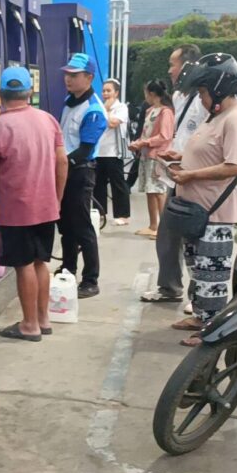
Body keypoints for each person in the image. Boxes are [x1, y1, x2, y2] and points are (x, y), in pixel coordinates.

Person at [165, 53, 237, 346]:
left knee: (212, 274)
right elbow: (211, 152)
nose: (201, 99)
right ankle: (200, 316)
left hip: (216, 213)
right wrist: (181, 157)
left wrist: (190, 175)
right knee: (199, 269)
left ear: (218, 89)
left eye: (203, 93)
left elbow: (235, 166)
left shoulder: (236, 119)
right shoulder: (216, 116)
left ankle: (211, 329)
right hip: (197, 210)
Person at [0, 67, 68, 342]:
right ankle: (43, 319)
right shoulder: (48, 120)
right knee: (41, 261)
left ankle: (29, 325)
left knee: (23, 265)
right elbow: (62, 161)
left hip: (16, 209)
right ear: (30, 92)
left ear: (0, 93)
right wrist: (57, 198)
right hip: (47, 206)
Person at [141, 44, 208, 304]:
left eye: (173, 64)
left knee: (194, 239)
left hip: (196, 178)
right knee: (167, 235)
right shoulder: (179, 96)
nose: (170, 70)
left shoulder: (205, 99)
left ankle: (198, 295)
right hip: (175, 175)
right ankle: (169, 287)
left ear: (189, 66)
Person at [57, 53, 107, 299]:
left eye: (74, 75)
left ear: (89, 77)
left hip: (80, 172)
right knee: (66, 225)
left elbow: (86, 149)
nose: (68, 79)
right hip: (64, 169)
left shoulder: (94, 110)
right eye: (67, 74)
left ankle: (90, 279)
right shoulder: (69, 102)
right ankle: (67, 268)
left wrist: (60, 164)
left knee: (82, 226)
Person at [129, 80, 175, 239]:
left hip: (157, 156)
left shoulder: (166, 112)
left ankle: (163, 229)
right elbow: (146, 132)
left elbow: (164, 136)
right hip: (146, 154)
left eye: (146, 93)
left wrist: (144, 142)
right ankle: (153, 225)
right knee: (150, 191)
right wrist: (138, 143)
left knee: (159, 191)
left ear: (152, 93)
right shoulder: (151, 110)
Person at [94, 79, 131, 226]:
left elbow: (112, 123)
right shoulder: (99, 106)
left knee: (118, 183)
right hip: (99, 151)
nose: (105, 93)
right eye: (103, 91)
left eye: (109, 91)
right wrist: (104, 109)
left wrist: (106, 110)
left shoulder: (121, 107)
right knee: (98, 184)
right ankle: (100, 213)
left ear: (116, 93)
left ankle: (123, 215)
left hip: (114, 152)